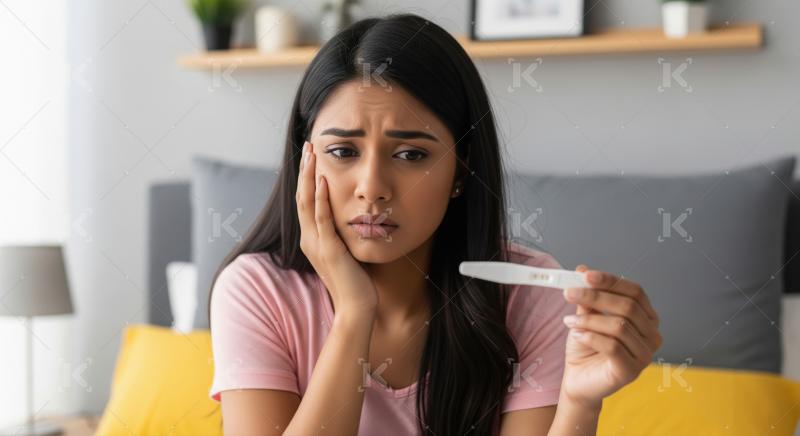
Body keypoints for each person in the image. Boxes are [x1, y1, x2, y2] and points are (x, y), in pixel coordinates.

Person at [207, 13, 662, 435]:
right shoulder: (256, 291)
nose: (372, 188)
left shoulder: (526, 299)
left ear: (460, 172)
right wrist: (353, 312)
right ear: (305, 162)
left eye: (411, 155)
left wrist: (580, 403)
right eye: (343, 152)